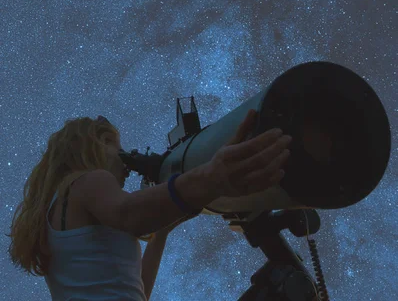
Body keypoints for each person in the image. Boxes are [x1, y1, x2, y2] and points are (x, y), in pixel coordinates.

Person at [7, 110, 292, 300]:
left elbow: (135, 292)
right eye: (116, 147)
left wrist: (160, 235)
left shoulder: (61, 205)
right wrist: (211, 178)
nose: (125, 159)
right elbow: (130, 214)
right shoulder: (88, 180)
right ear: (92, 144)